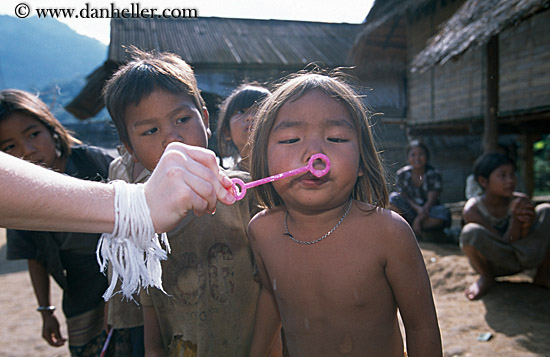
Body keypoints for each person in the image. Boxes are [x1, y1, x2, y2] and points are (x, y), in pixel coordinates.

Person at [247, 73, 442, 356]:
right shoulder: (262, 232)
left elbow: (422, 328)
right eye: (290, 139)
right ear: (264, 160)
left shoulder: (388, 233)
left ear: (363, 162)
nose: (314, 153)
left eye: (336, 138)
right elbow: (271, 299)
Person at [102, 48, 280, 356]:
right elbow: (150, 304)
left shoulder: (242, 192)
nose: (172, 138)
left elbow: (275, 288)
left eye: (183, 119)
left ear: (206, 120)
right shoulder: (137, 214)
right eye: (150, 130)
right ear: (129, 147)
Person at [0, 89, 113, 354]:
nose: (27, 151)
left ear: (51, 128)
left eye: (33, 134)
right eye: (9, 147)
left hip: (123, 280)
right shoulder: (17, 197)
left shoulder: (94, 162)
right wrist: (45, 310)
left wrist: (117, 293)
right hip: (78, 291)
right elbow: (35, 255)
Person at [460, 152, 550, 300]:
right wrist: (515, 219)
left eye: (512, 175)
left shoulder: (520, 200)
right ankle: (486, 277)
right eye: (502, 176)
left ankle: (543, 274)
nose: (510, 181)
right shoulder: (473, 209)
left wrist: (526, 224)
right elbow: (503, 243)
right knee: (470, 232)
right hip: (496, 261)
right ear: (483, 181)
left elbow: (525, 240)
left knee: (546, 210)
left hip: (524, 257)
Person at [389, 139, 451, 238]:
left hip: (428, 210)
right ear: (408, 157)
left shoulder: (433, 174)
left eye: (421, 154)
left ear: (427, 157)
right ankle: (406, 227)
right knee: (393, 198)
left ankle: (414, 228)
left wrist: (419, 218)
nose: (417, 158)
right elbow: (403, 196)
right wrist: (417, 210)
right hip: (410, 209)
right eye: (413, 155)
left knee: (443, 213)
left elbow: (432, 200)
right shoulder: (402, 174)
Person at [216, 84, 271, 171]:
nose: (250, 117)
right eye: (240, 111)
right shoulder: (226, 181)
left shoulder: (292, 174)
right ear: (226, 131)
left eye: (261, 110)